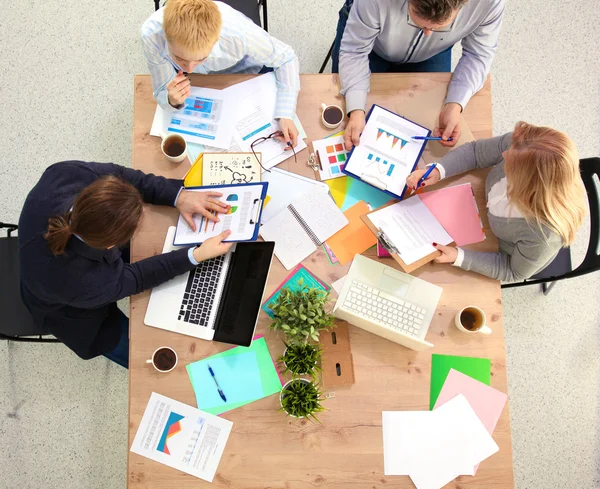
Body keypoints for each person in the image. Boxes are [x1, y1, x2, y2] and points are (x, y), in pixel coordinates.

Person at [18, 161, 233, 368]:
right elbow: (137, 277)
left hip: (51, 267)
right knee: (146, 355)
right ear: (112, 245)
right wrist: (195, 255)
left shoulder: (65, 175)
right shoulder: (85, 281)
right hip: (70, 313)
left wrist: (178, 196)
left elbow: (121, 175)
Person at [406, 122, 587, 282]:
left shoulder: (542, 236)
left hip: (496, 246)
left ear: (528, 185)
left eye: (512, 163)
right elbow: (476, 152)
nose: (504, 154)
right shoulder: (522, 146)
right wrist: (438, 171)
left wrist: (459, 257)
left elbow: (513, 271)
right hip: (474, 209)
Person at [334, 0, 505, 151]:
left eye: (438, 28)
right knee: (343, 107)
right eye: (420, 25)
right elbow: (354, 51)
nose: (427, 33)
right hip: (371, 44)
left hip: (433, 51)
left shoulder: (490, 2)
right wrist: (356, 111)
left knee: (427, 126)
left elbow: (478, 55)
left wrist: (455, 104)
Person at [141, 0, 301, 148]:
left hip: (241, 72)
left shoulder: (239, 35)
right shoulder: (152, 35)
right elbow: (162, 88)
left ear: (216, 39)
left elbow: (286, 58)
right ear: (166, 37)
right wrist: (171, 99)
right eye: (179, 58)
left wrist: (286, 113)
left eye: (201, 59)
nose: (189, 70)